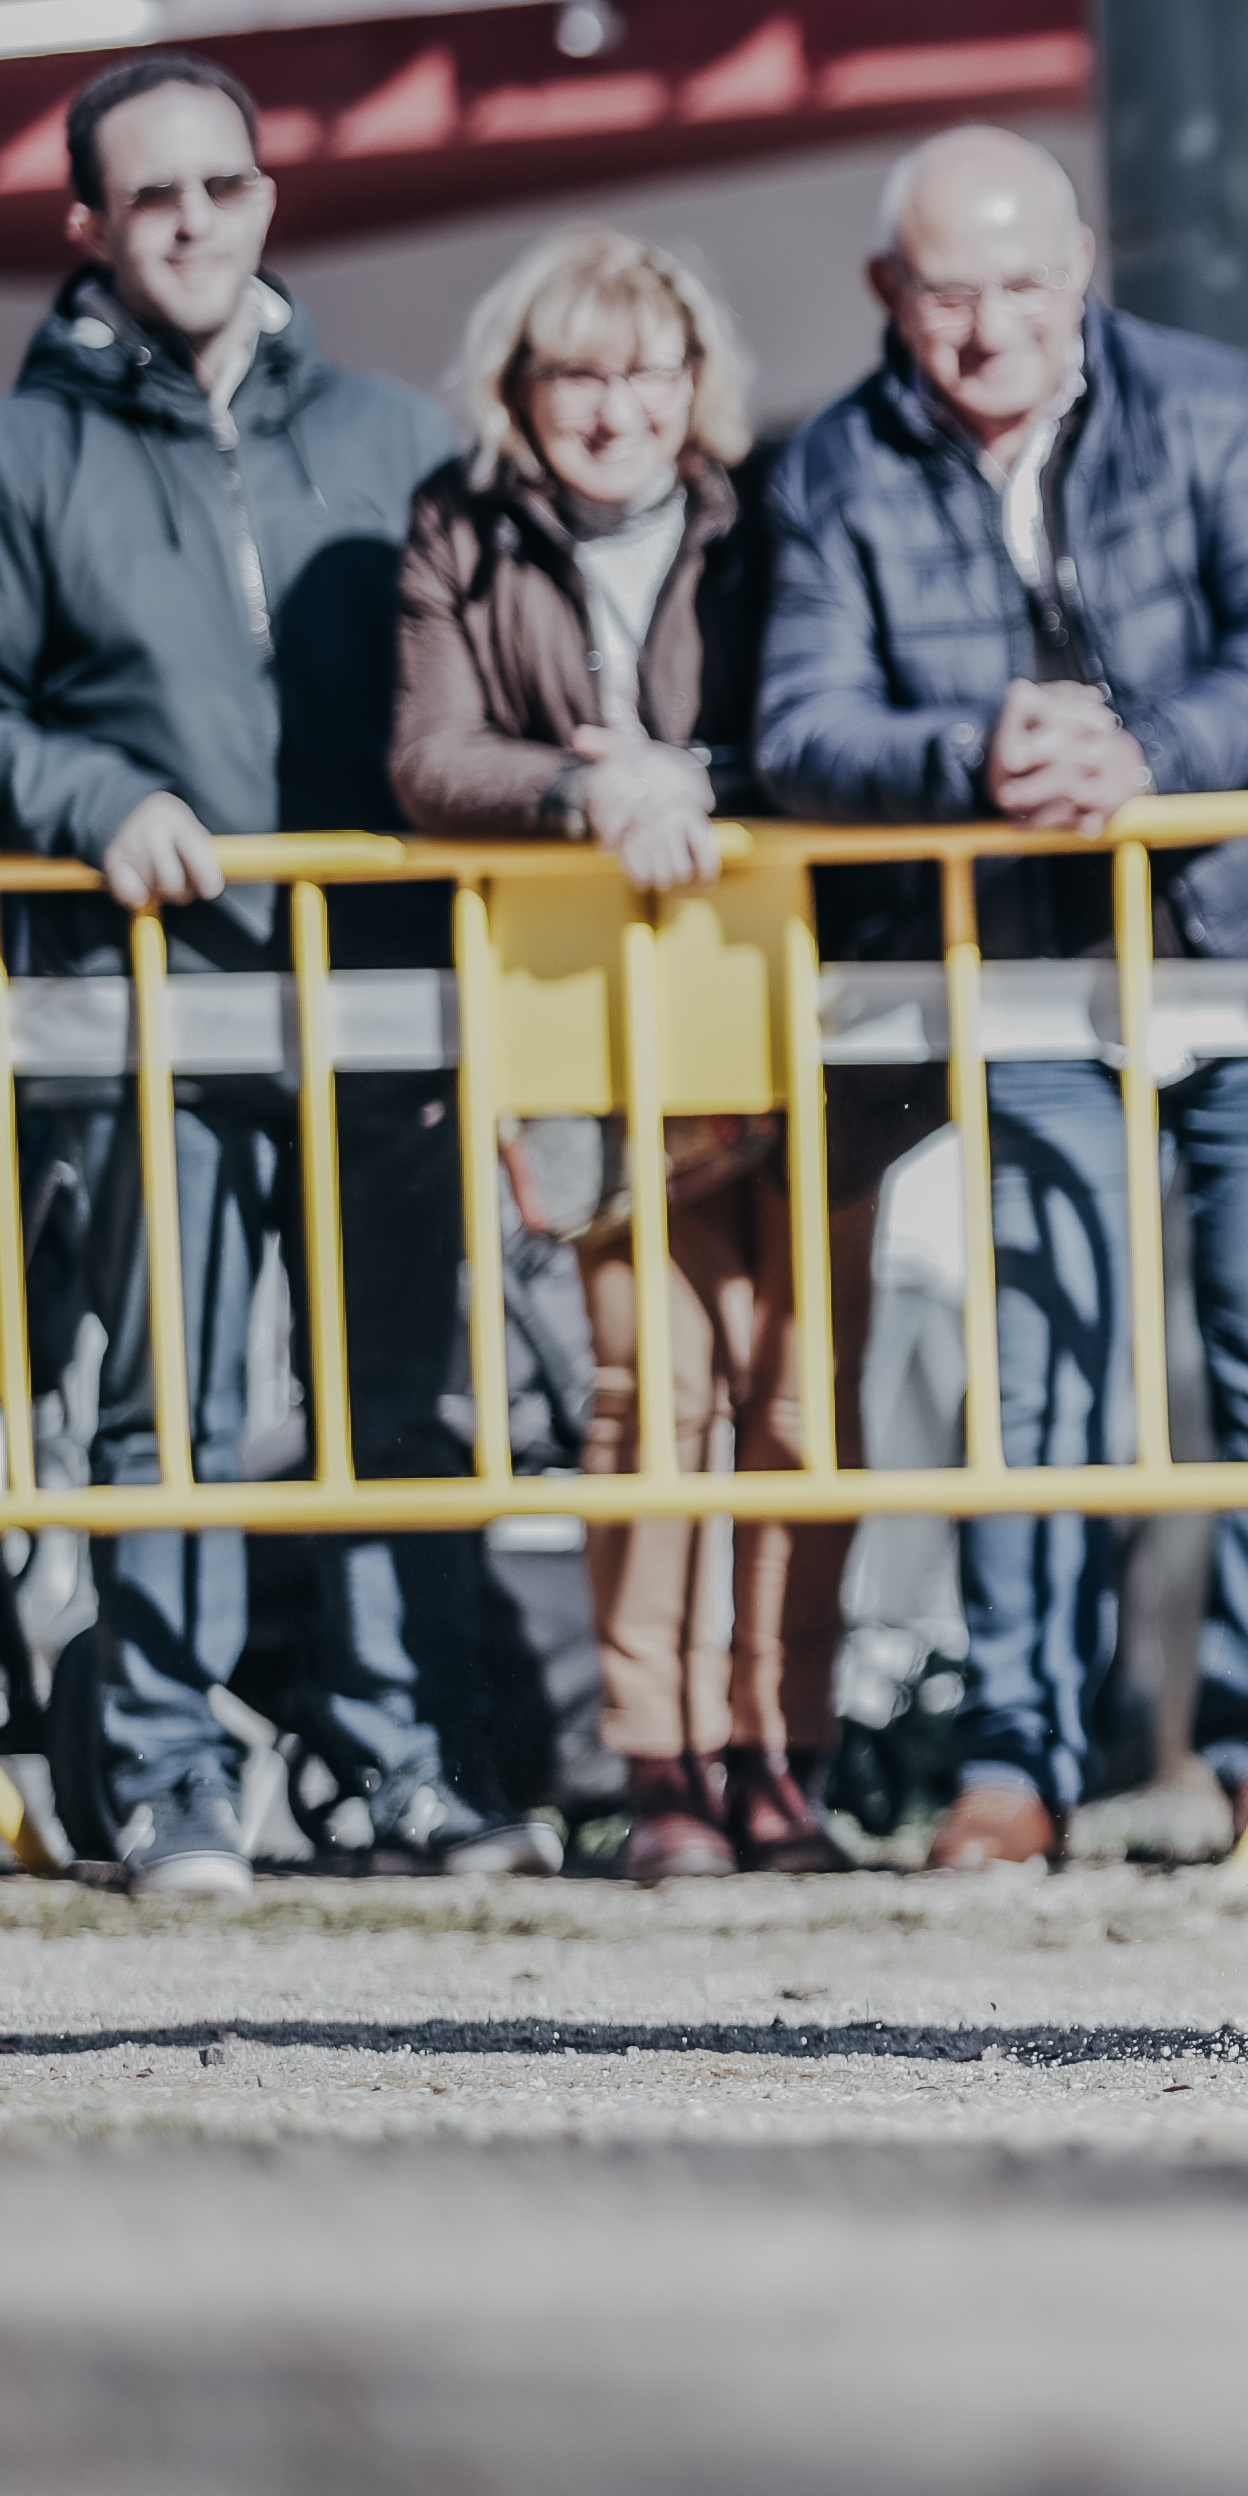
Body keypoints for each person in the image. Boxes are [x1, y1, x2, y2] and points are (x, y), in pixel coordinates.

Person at [0, 50, 535, 1899]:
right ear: (86, 224)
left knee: (400, 1405)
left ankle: (408, 1767)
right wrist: (92, 797)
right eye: (151, 195)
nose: (192, 223)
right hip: (151, 1011)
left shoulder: (401, 441)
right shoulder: (6, 461)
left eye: (222, 186)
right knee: (166, 1408)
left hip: (385, 1002)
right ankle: (169, 1778)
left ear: (267, 199)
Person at [753, 125, 1248, 1876]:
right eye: (951, 292)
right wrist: (977, 755)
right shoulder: (830, 466)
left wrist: (1146, 754)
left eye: (1026, 284)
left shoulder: (1210, 403)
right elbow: (800, 727)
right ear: (888, 292)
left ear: (1083, 268)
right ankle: (1015, 1762)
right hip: (1025, 975)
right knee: (1041, 1380)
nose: (991, 327)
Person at [396, 224, 849, 1885]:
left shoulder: (771, 510)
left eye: (646, 372)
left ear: (694, 383)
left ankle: (784, 1754)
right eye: (577, 375)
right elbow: (430, 758)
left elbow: (818, 711)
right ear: (521, 389)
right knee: (646, 1392)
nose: (614, 409)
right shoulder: (460, 529)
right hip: (593, 1031)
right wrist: (583, 791)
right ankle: (660, 1761)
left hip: (786, 1012)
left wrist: (696, 778)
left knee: (796, 1392)